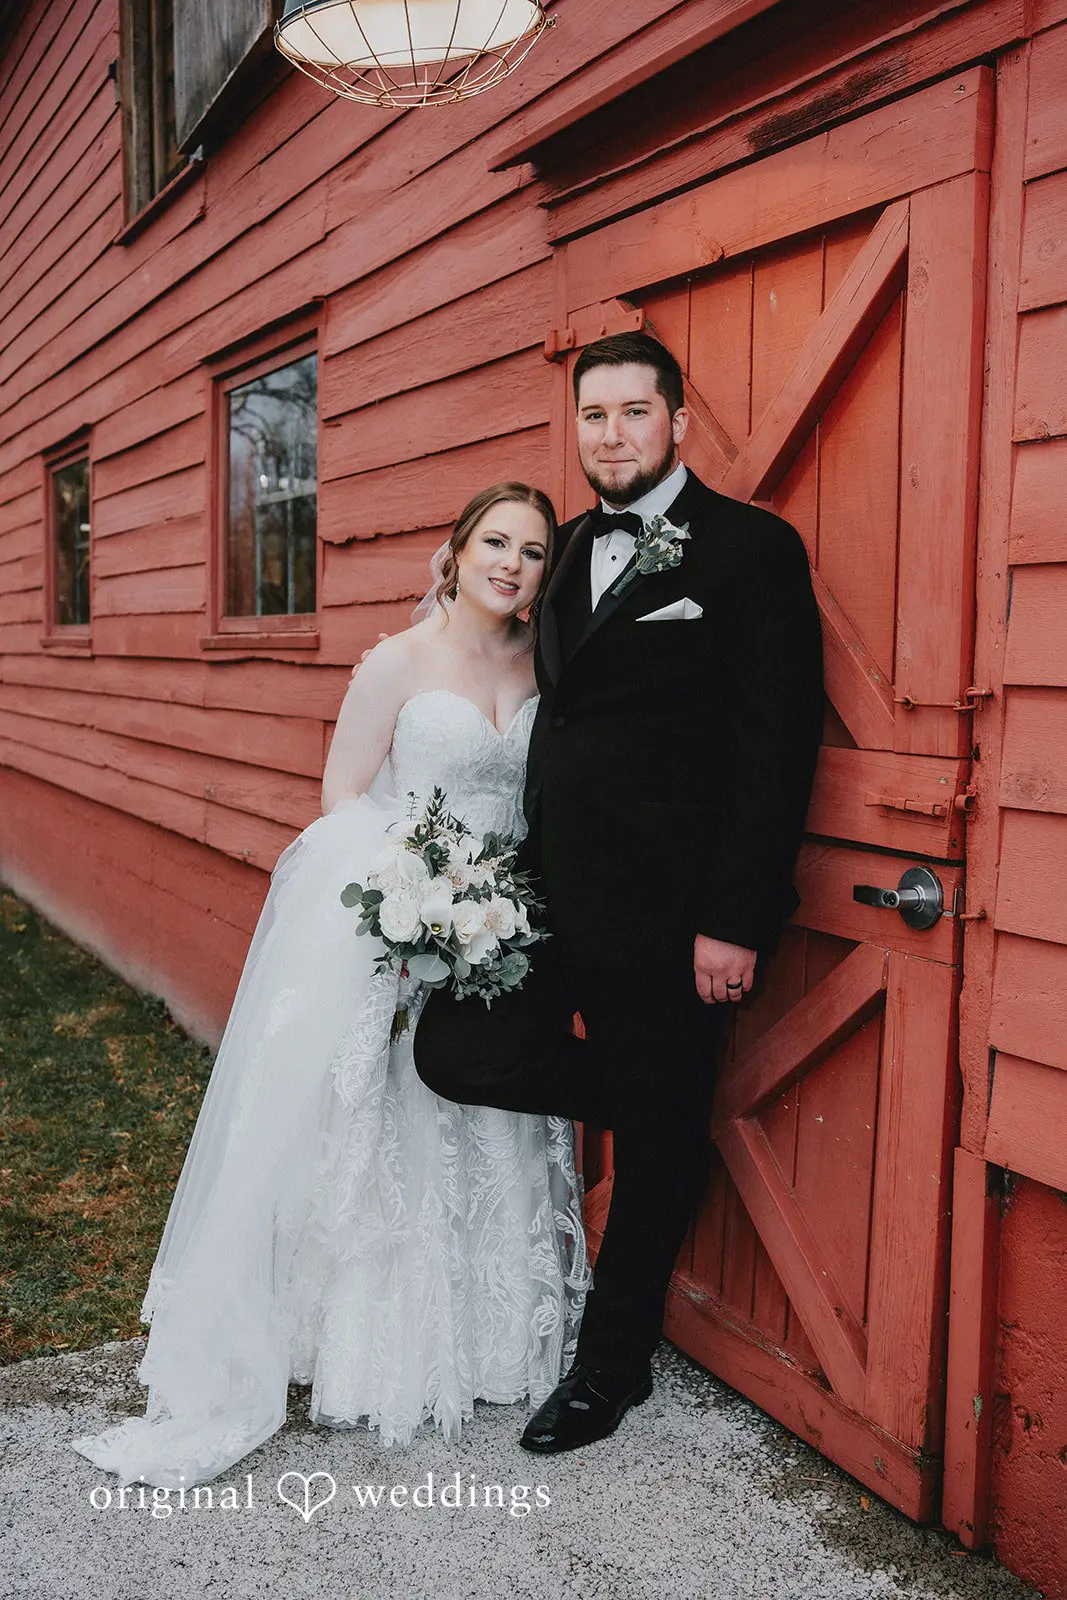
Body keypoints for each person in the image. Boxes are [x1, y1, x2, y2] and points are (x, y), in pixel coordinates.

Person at [71, 483, 588, 1490]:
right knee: (388, 1126)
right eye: (494, 541)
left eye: (531, 552)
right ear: (455, 546)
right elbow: (342, 799)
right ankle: (365, 1346)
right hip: (407, 927)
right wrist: (417, 898)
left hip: (505, 938)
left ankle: (491, 1341)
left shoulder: (542, 665)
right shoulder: (395, 662)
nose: (510, 564)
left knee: (491, 1116)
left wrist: (493, 913)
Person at [414, 332, 825, 1453]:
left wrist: (732, 917)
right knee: (458, 1053)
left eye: (633, 412)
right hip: (543, 902)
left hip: (670, 919)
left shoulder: (749, 551)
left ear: (677, 422)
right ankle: (664, 1120)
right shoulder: (564, 548)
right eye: (592, 415)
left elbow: (773, 749)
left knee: (649, 1154)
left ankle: (609, 1369)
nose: (611, 435)